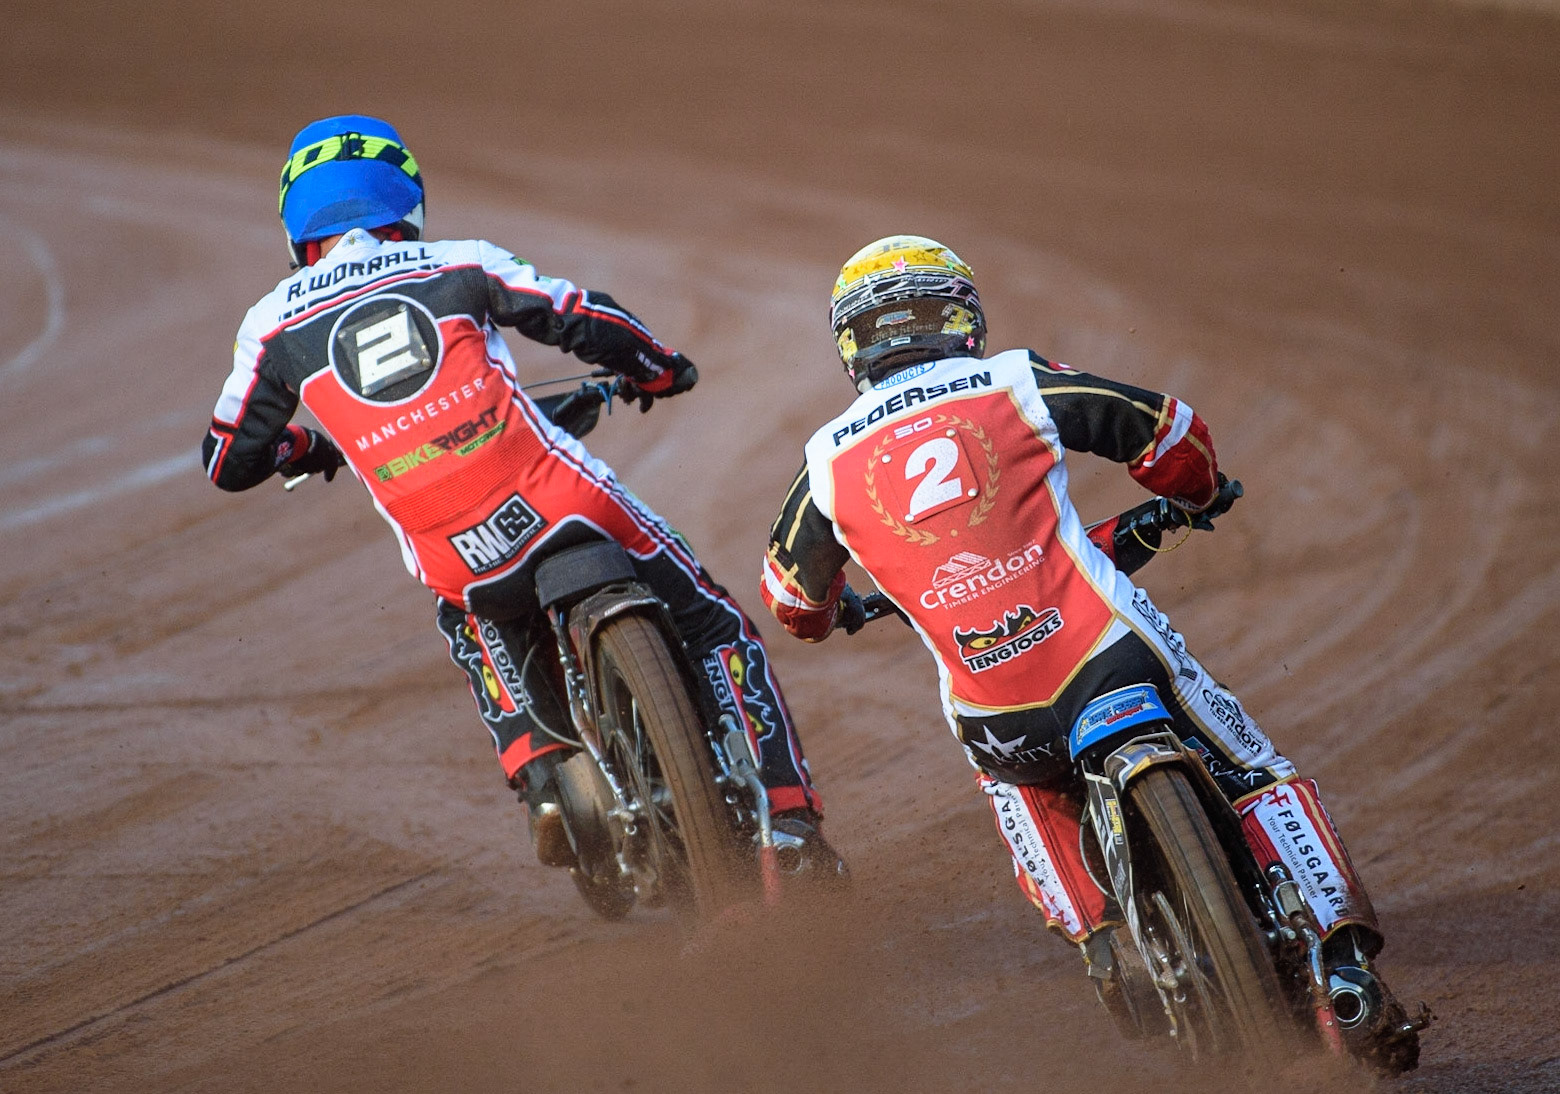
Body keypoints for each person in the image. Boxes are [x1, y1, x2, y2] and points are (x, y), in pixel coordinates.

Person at [760, 235, 1420, 1071]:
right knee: (1254, 769)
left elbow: (791, 604)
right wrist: (1196, 492)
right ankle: (1344, 964)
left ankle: (1100, 945)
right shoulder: (1009, 379)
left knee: (1018, 785)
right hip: (1107, 655)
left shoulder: (824, 460)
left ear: (851, 345)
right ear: (961, 317)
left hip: (999, 716)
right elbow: (1168, 430)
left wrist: (841, 608)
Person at [204, 114, 841, 886]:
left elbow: (227, 460)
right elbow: (580, 317)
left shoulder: (269, 325)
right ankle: (790, 822)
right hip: (556, 495)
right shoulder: (458, 261)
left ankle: (540, 771)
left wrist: (301, 446)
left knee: (470, 617)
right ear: (406, 201)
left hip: (448, 546)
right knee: (714, 622)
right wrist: (658, 369)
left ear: (295, 225)